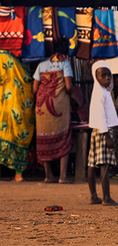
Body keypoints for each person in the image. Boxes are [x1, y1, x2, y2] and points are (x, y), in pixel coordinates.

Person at [33, 38, 74, 183]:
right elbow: (69, 87)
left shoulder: (42, 64)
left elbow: (34, 89)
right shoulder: (65, 63)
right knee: (64, 137)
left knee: (43, 138)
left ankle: (48, 175)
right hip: (59, 105)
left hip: (42, 107)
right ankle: (62, 176)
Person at [87, 61, 118, 206]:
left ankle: (94, 196)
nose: (107, 78)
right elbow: (101, 116)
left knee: (92, 164)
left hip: (97, 131)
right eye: (103, 75)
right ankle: (106, 198)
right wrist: (107, 136)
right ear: (96, 77)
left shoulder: (101, 92)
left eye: (109, 75)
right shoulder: (100, 93)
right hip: (103, 131)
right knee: (104, 165)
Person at [0, 50, 35, 182]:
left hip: (6, 106)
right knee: (20, 136)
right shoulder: (20, 69)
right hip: (20, 109)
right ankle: (18, 174)